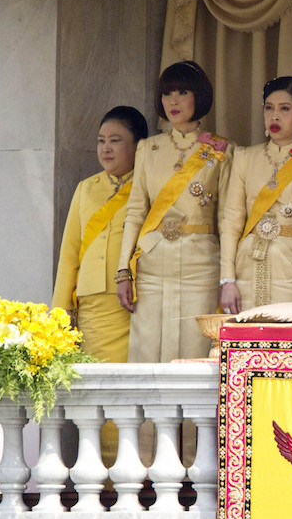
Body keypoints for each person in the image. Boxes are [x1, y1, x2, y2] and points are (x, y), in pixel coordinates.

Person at [116, 61, 233, 362]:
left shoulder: (221, 150)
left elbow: (228, 218)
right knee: (146, 349)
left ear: (200, 96)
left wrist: (228, 276)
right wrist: (123, 271)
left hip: (201, 264)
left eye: (183, 92)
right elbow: (135, 211)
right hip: (152, 264)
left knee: (194, 350)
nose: (174, 101)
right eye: (167, 94)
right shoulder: (148, 148)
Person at [219, 78, 292, 312]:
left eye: (285, 109)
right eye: (269, 107)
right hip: (245, 267)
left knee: (287, 342)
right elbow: (231, 221)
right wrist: (227, 280)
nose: (274, 116)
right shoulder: (243, 157)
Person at [52, 106, 149, 363]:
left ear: (138, 146)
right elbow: (69, 252)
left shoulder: (148, 186)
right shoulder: (86, 188)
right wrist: (61, 309)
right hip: (90, 303)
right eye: (101, 141)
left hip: (130, 302)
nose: (106, 148)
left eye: (115, 141)